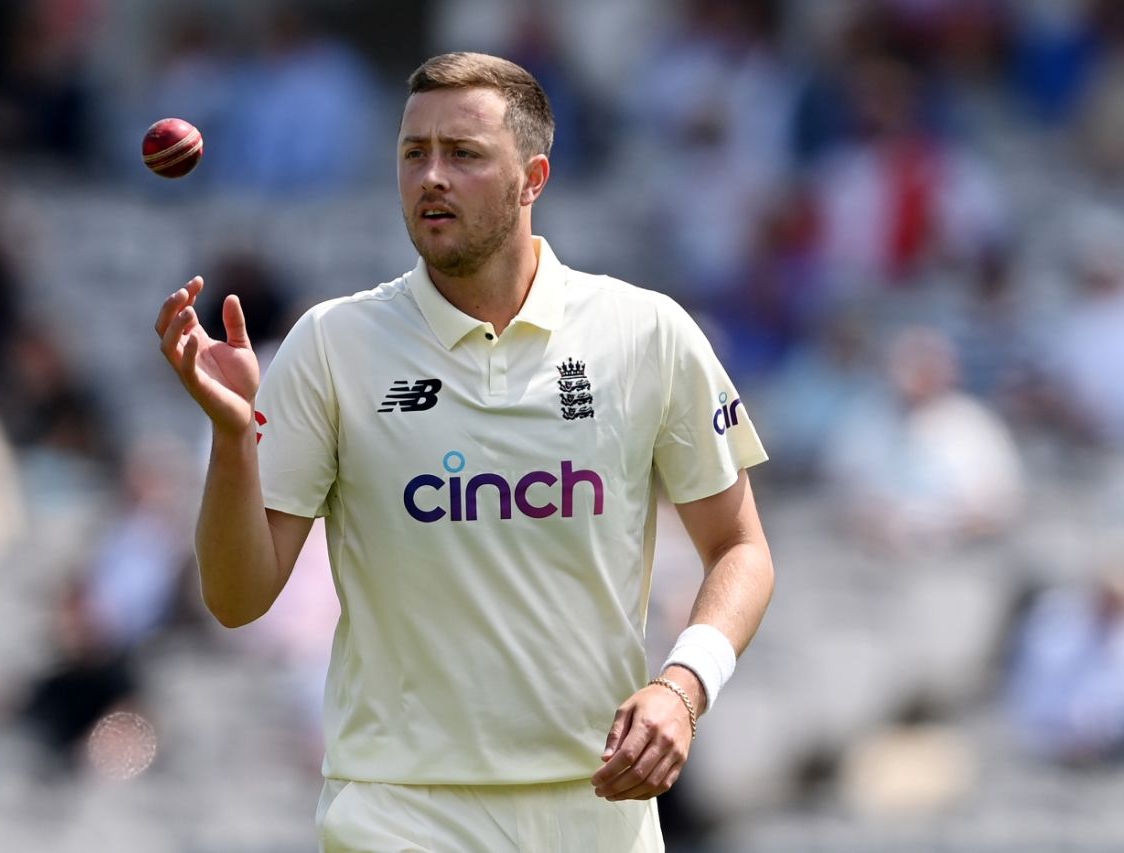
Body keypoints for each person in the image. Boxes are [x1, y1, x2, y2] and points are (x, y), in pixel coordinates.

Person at [154, 52, 774, 852]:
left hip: (599, 811)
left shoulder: (646, 332)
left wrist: (684, 687)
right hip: (399, 809)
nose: (431, 177)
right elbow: (237, 598)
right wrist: (234, 439)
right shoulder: (331, 343)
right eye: (414, 154)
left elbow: (741, 549)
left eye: (464, 154)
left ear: (533, 178)